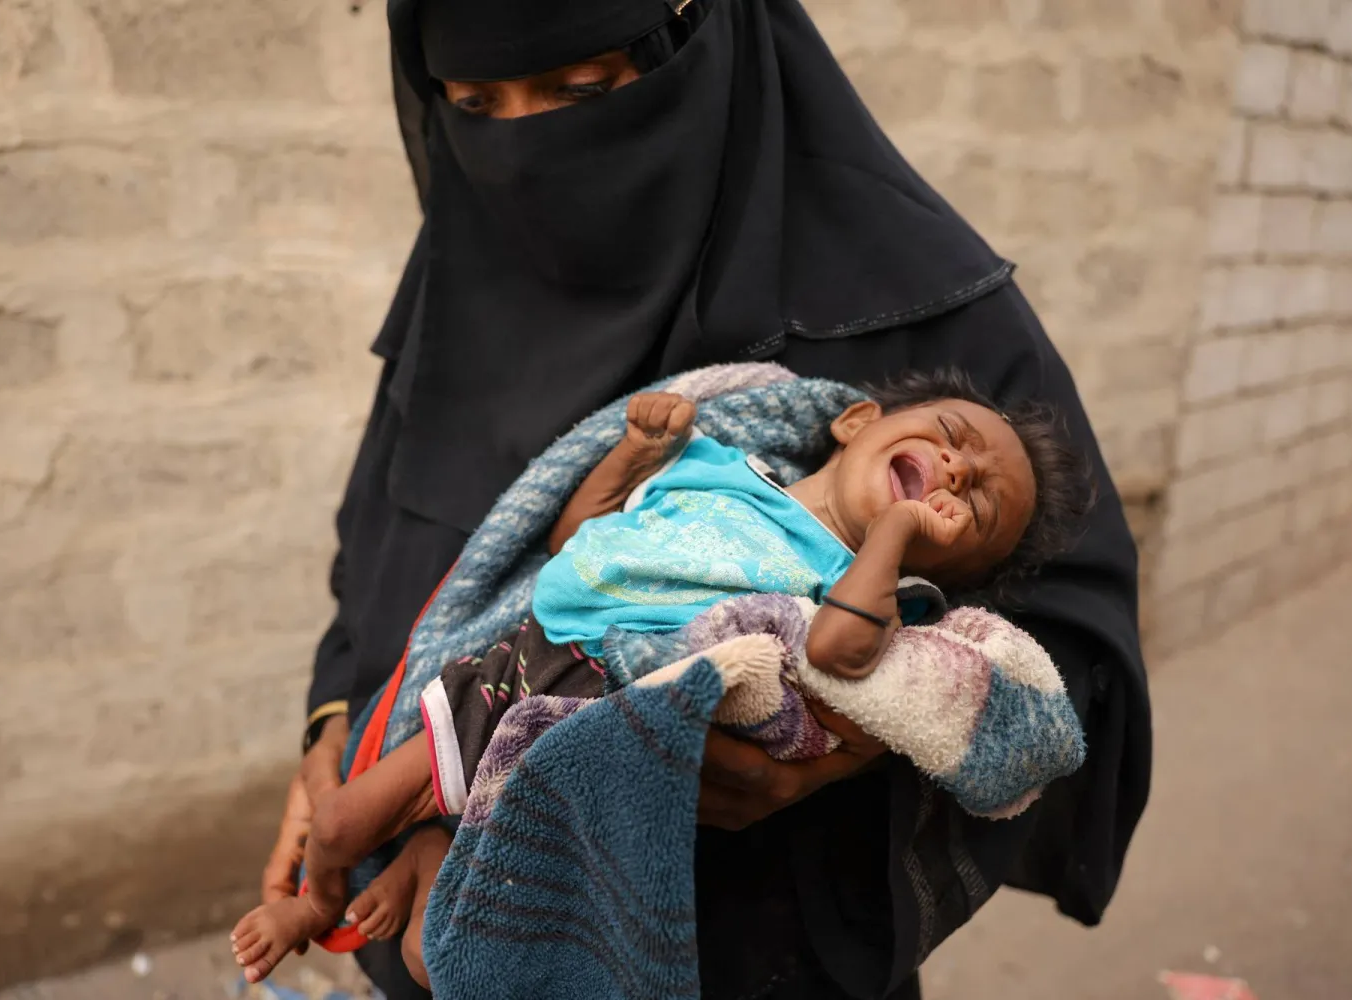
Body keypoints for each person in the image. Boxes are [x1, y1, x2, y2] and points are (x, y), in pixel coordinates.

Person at [261, 0, 1153, 995]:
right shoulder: (465, 276)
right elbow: (382, 542)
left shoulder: (921, 322)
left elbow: (1077, 643)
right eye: (475, 103)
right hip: (428, 897)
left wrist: (841, 748)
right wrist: (336, 733)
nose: (525, 146)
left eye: (583, 90)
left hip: (751, 949)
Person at [235, 373, 1092, 985]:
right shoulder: (721, 462)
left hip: (591, 701)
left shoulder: (866, 584)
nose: (955, 472)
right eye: (950, 439)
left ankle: (440, 854)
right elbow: (573, 538)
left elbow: (836, 652)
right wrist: (636, 452)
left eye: (973, 506)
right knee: (344, 816)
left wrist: (899, 529)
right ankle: (321, 901)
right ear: (855, 420)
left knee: (445, 945)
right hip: (518, 659)